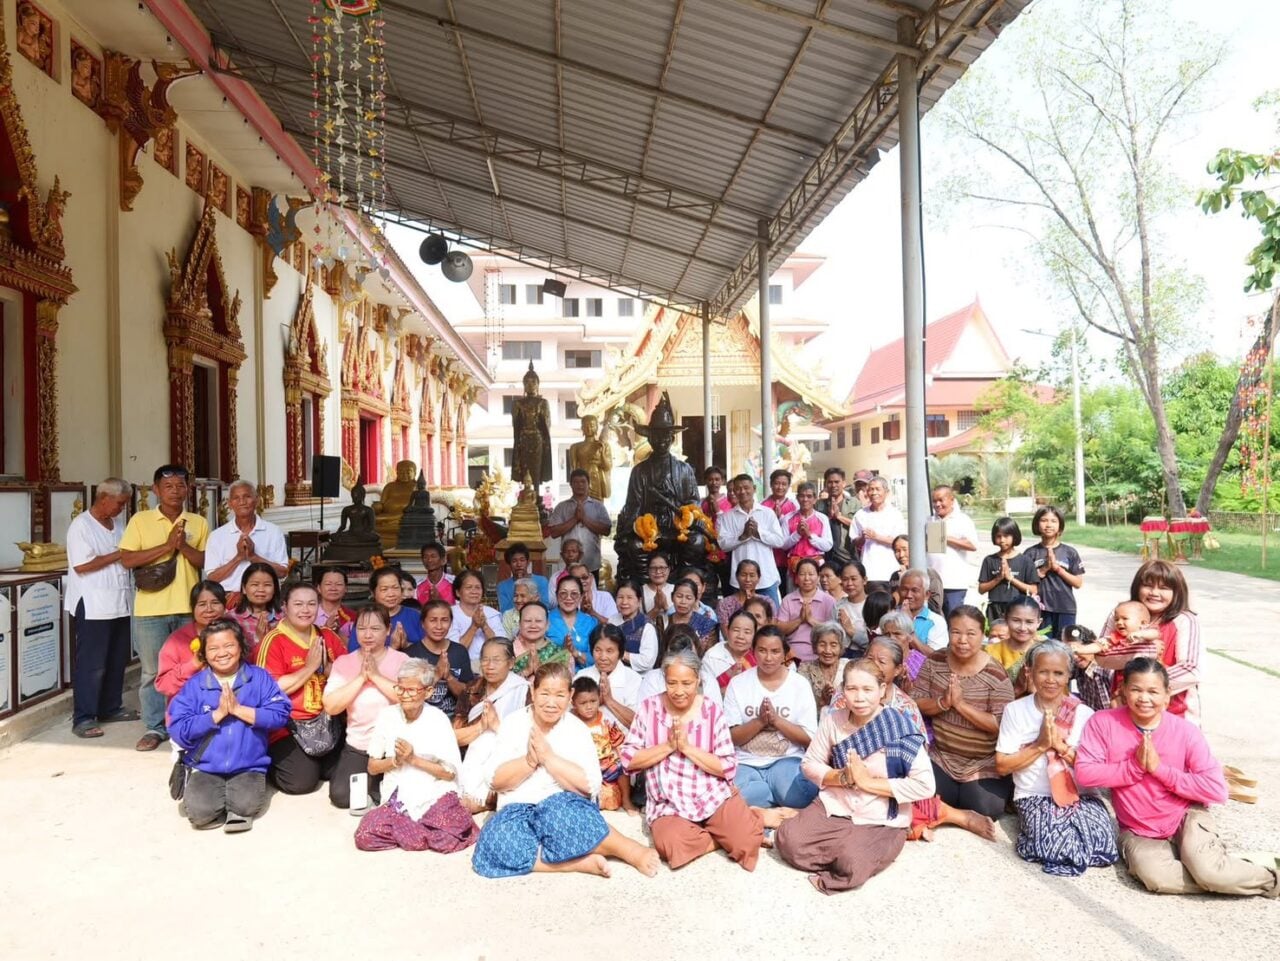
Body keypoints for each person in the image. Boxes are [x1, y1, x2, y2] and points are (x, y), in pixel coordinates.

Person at [1076, 658, 1279, 897]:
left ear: (1167, 695)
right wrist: (1134, 767)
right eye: (1136, 690)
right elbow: (1085, 773)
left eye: (1153, 692)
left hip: (1185, 816)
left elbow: (1216, 789)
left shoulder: (1185, 731)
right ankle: (1224, 869)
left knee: (1209, 873)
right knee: (1158, 878)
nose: (1144, 698)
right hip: (1139, 828)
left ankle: (1268, 878)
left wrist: (1160, 770)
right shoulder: (1103, 722)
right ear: (1123, 690)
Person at [471, 662, 660, 879]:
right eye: (545, 694)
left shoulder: (576, 728)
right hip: (517, 808)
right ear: (533, 691)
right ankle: (576, 863)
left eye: (560, 695)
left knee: (560, 817)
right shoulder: (513, 723)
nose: (551, 703)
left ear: (570, 695)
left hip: (562, 807)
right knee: (494, 841)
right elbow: (494, 780)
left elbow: (591, 785)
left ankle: (629, 850)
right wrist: (529, 762)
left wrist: (549, 758)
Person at [775, 658, 935, 894]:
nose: (859, 697)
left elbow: (925, 785)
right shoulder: (833, 721)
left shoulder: (898, 726)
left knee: (852, 864)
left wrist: (866, 782)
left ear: (882, 690)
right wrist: (841, 777)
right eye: (852, 689)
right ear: (843, 690)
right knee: (788, 840)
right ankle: (845, 848)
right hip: (837, 806)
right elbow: (809, 764)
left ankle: (853, 850)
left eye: (868, 689)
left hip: (881, 818)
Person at [620, 647, 773, 871]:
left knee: (745, 843)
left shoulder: (711, 710)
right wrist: (668, 746)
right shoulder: (649, 708)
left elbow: (727, 767)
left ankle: (735, 828)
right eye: (672, 683)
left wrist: (687, 748)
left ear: (698, 679)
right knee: (671, 845)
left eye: (687, 683)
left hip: (712, 795)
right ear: (664, 680)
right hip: (668, 803)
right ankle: (722, 837)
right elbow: (628, 760)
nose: (679, 691)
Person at [995, 640, 1118, 876]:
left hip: (1081, 796)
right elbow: (1002, 766)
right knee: (1059, 849)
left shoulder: (1084, 713)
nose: (1050, 680)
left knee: (1104, 848)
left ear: (1069, 675)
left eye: (1058, 673)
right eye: (1043, 672)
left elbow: (1095, 770)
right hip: (1035, 796)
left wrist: (1060, 746)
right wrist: (1041, 745)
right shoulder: (1016, 710)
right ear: (1030, 672)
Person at [863, 636, 995, 842]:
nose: (873, 665)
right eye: (869, 658)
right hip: (855, 772)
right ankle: (934, 816)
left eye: (881, 661)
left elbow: (918, 756)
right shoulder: (846, 695)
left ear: (897, 670)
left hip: (891, 778)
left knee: (898, 800)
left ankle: (943, 815)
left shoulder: (906, 706)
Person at [168, 619, 291, 831]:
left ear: (241, 647)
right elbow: (178, 729)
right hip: (206, 767)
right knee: (199, 814)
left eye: (229, 645)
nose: (222, 653)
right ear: (204, 653)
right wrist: (216, 715)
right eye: (213, 648)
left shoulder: (258, 677)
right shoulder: (195, 685)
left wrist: (239, 710)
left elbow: (280, 714)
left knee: (243, 806)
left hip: (248, 765)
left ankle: (241, 795)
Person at [120, 464, 210, 751]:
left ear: (188, 489)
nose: (175, 491)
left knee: (193, 666)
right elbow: (127, 559)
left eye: (181, 486)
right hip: (150, 610)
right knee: (152, 672)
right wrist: (167, 547)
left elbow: (204, 561)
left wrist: (183, 547)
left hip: (188, 610)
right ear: (156, 490)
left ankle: (189, 720)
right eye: (168, 486)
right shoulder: (140, 520)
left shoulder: (198, 522)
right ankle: (155, 727)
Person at [355, 659, 479, 853]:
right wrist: (396, 761)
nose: (404, 695)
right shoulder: (387, 716)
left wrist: (413, 759)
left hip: (433, 791)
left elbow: (449, 773)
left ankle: (409, 833)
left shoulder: (438, 719)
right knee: (365, 835)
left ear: (428, 692)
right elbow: (372, 767)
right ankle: (421, 832)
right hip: (398, 796)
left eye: (411, 690)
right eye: (400, 689)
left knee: (449, 838)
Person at [913, 605, 1015, 819]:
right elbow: (915, 701)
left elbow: (1001, 725)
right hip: (942, 757)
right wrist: (943, 702)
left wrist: (960, 705)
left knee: (986, 809)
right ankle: (958, 815)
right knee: (918, 797)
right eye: (956, 632)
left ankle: (955, 804)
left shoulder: (996, 675)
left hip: (982, 763)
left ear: (982, 635)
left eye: (971, 634)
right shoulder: (935, 661)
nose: (962, 640)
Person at [254, 581, 348, 796]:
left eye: (311, 604)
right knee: (301, 783)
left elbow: (348, 676)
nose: (305, 610)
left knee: (334, 772)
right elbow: (269, 690)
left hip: (327, 721)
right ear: (284, 607)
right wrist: (310, 667)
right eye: (298, 604)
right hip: (287, 726)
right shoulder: (274, 640)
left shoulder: (327, 636)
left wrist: (325, 668)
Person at [65, 478, 135, 739]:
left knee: (116, 659)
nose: (122, 508)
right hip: (93, 604)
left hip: (119, 602)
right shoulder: (81, 526)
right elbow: (82, 565)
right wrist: (120, 553)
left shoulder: (118, 525)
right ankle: (83, 717)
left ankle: (110, 707)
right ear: (104, 498)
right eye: (120, 503)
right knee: (92, 664)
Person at [1094, 560, 1203, 725]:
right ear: (1137, 587)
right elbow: (1102, 655)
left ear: (1176, 592)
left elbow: (1191, 669)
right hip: (1124, 708)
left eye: (1164, 588)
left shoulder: (1184, 620)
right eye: (1148, 586)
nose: (1154, 593)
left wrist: (1145, 689)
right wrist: (1145, 651)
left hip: (1174, 714)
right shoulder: (1121, 614)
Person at [724, 626, 820, 810]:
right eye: (762, 650)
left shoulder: (799, 684)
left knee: (800, 796)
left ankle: (767, 796)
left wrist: (777, 721)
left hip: (787, 759)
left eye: (775, 651)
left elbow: (809, 739)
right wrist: (759, 722)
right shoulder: (738, 683)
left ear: (785, 654)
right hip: (746, 761)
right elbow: (731, 738)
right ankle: (773, 794)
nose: (768, 658)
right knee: (729, 800)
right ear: (753, 651)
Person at [322, 606, 408, 808]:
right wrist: (361, 677)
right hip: (360, 745)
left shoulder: (402, 660)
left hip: (395, 746)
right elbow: (331, 706)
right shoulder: (344, 663)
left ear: (388, 630)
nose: (367, 635)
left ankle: (378, 786)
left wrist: (376, 676)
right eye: (361, 628)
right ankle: (374, 785)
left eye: (375, 629)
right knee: (341, 796)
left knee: (405, 796)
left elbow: (409, 698)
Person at [456, 638, 532, 811]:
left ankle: (484, 799)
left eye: (497, 660)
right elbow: (455, 737)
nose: (490, 666)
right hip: (470, 758)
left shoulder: (524, 690)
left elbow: (528, 738)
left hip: (509, 760)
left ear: (511, 663)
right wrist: (481, 727)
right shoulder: (472, 688)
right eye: (485, 660)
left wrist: (497, 727)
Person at [202, 480, 289, 590]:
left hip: (264, 596)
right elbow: (212, 578)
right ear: (229, 504)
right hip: (229, 597)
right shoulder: (216, 536)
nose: (242, 502)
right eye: (236, 498)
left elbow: (282, 572)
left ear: (257, 500)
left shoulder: (273, 532)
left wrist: (253, 557)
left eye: (247, 496)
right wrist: (238, 557)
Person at [156, 581, 227, 715]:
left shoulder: (234, 634)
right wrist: (193, 664)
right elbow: (163, 685)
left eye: (215, 603)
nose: (209, 609)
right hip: (188, 714)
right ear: (192, 608)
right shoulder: (177, 640)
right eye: (202, 604)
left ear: (224, 606)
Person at [717, 474, 787, 606]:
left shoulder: (767, 513)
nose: (742, 491)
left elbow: (779, 541)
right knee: (742, 616)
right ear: (734, 491)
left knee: (771, 616)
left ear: (754, 489)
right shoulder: (727, 516)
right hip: (741, 580)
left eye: (746, 487)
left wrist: (758, 533)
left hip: (766, 577)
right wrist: (742, 537)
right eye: (738, 488)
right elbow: (723, 545)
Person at [570, 676, 637, 812]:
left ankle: (626, 799)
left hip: (605, 766)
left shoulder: (606, 720)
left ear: (599, 698)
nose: (589, 707)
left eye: (593, 701)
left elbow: (619, 744)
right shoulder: (570, 722)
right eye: (583, 703)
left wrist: (625, 762)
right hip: (583, 768)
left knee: (620, 766)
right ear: (573, 703)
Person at [1021, 506, 1084, 639]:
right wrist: (1044, 569)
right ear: (1037, 524)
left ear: (1060, 525)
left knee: (1065, 645)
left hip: (1065, 608)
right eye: (1044, 520)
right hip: (1039, 610)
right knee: (1041, 645)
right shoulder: (1030, 553)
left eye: (1053, 521)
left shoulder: (1070, 552)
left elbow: (1078, 583)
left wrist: (1057, 569)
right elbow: (1026, 584)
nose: (1048, 525)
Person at [406, 600, 474, 717]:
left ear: (451, 623)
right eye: (433, 620)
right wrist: (437, 674)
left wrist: (449, 677)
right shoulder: (411, 653)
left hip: (455, 717)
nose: (439, 626)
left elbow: (469, 697)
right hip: (421, 718)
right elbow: (409, 697)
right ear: (423, 623)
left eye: (444, 620)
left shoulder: (459, 651)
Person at [546, 469, 612, 578]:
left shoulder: (598, 506)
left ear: (588, 484)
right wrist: (575, 519)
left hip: (591, 564)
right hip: (568, 564)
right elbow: (554, 533)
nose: (580, 485)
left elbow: (607, 530)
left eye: (583, 482)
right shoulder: (562, 507)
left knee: (590, 589)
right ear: (571, 485)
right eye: (576, 482)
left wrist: (584, 519)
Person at [576, 625, 641, 732]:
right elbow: (569, 716)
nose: (603, 657)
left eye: (610, 651)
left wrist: (609, 700)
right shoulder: (581, 676)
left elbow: (639, 724)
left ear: (620, 653)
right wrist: (595, 702)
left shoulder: (633, 679)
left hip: (624, 740)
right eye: (598, 650)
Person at [927, 485, 977, 616]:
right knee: (934, 620)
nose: (937, 504)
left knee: (953, 619)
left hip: (954, 583)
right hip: (933, 583)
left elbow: (972, 545)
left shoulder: (963, 520)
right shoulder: (929, 520)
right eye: (934, 501)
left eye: (941, 500)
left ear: (951, 500)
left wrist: (945, 537)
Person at [977, 516, 1039, 623]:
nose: (1002, 540)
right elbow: (981, 589)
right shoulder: (989, 560)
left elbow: (1033, 590)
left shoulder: (1025, 561)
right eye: (998, 536)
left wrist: (1011, 578)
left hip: (1018, 608)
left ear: (1014, 536)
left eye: (1006, 536)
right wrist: (998, 578)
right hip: (995, 608)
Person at [775, 557, 837, 662]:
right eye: (802, 574)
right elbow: (780, 629)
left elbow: (834, 632)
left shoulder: (829, 600)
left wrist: (811, 620)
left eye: (811, 574)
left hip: (821, 654)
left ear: (818, 577)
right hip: (792, 654)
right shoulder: (788, 600)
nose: (807, 578)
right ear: (796, 578)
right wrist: (799, 620)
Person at [356, 567, 424, 651]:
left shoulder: (415, 616)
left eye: (395, 588)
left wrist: (406, 645)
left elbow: (428, 650)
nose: (391, 594)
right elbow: (355, 654)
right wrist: (392, 648)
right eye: (384, 589)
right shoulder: (364, 618)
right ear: (373, 592)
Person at [853, 478, 906, 582]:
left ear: (886, 492)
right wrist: (862, 538)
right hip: (868, 570)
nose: (874, 493)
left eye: (877, 489)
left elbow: (900, 542)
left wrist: (876, 537)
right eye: (871, 489)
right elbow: (854, 541)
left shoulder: (895, 514)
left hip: (890, 570)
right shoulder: (860, 514)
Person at [985, 596, 1042, 693]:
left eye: (1029, 622)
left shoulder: (1046, 650)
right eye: (1016, 620)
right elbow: (988, 690)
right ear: (1005, 619)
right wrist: (1018, 690)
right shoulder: (991, 651)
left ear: (1038, 623)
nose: (1022, 628)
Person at [511, 362, 553, 488]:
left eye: (533, 382)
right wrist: (518, 441)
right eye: (527, 382)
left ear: (538, 385)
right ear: (524, 385)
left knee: (536, 469)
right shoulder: (518, 403)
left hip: (537, 439)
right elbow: (516, 426)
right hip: (523, 439)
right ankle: (526, 492)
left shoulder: (543, 403)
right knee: (525, 468)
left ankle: (537, 492)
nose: (530, 385)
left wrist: (545, 443)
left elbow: (546, 426)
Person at [545, 575, 599, 671]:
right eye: (563, 593)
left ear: (581, 596)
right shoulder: (544, 620)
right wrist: (562, 651)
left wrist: (575, 653)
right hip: (552, 675)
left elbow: (596, 657)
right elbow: (537, 653)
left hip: (583, 676)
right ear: (556, 595)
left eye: (574, 594)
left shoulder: (591, 622)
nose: (568, 598)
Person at [449, 570, 505, 662]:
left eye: (478, 587)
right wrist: (474, 626)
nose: (474, 591)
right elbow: (454, 652)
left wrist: (484, 626)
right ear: (458, 592)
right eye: (469, 587)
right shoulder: (449, 614)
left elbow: (503, 648)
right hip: (462, 665)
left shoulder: (492, 614)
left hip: (491, 664)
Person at [781, 482, 832, 580]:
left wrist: (810, 535)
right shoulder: (788, 518)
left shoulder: (822, 518)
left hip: (816, 566)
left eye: (809, 496)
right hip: (794, 566)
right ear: (797, 498)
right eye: (802, 496)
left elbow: (828, 546)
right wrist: (797, 534)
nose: (805, 499)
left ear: (815, 499)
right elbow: (783, 545)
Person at [701, 609, 758, 699]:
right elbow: (707, 696)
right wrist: (733, 683)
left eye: (747, 632)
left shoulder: (759, 656)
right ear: (727, 630)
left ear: (755, 635)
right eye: (736, 630)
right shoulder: (712, 657)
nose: (740, 636)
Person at [226, 563, 281, 654]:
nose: (261, 589)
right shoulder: (232, 618)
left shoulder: (285, 617)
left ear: (275, 589)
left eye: (267, 585)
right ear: (244, 588)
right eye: (255, 584)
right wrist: (258, 639)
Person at [797, 622, 849, 713]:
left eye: (833, 645)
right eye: (822, 644)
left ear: (841, 647)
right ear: (815, 647)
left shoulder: (849, 667)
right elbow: (801, 706)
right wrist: (822, 701)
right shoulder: (805, 670)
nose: (827, 650)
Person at [610, 580, 659, 674]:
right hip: (613, 673)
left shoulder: (647, 626)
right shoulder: (612, 620)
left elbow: (647, 662)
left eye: (629, 598)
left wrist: (620, 654)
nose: (624, 602)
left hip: (639, 677)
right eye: (620, 597)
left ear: (639, 601)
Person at [762, 468, 799, 590]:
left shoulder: (794, 505)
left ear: (788, 486)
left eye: (784, 484)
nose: (780, 487)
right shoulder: (763, 505)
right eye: (777, 483)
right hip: (769, 555)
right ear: (771, 484)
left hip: (788, 556)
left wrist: (781, 518)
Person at [512, 602, 570, 677]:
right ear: (519, 624)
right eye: (527, 621)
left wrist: (538, 669)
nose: (533, 625)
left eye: (538, 621)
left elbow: (565, 682)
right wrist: (526, 671)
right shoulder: (507, 652)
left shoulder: (560, 654)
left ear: (547, 625)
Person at [888, 535, 943, 612]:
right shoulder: (896, 576)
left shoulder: (929, 574)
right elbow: (891, 604)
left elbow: (935, 606)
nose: (901, 555)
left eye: (905, 549)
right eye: (897, 551)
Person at [817, 467, 857, 571]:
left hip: (847, 554)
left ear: (843, 483)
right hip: (826, 555)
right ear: (826, 484)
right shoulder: (819, 505)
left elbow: (860, 527)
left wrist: (839, 517)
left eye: (837, 482)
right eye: (830, 482)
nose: (833, 485)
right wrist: (828, 517)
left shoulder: (854, 503)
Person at [665, 578, 718, 654]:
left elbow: (711, 654)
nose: (683, 602)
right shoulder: (663, 621)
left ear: (695, 600)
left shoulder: (707, 624)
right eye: (679, 596)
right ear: (672, 597)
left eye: (688, 598)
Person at [899, 569, 947, 651]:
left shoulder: (936, 621)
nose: (908, 595)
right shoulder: (891, 616)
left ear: (927, 595)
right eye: (904, 589)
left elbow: (936, 655)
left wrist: (908, 626)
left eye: (914, 590)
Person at [568, 414, 613, 501]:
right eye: (586, 426)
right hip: (581, 483)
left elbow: (608, 467)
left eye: (592, 426)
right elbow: (573, 470)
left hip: (597, 482)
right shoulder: (575, 447)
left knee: (597, 506)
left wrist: (602, 453)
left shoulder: (603, 446)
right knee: (582, 505)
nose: (589, 429)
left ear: (597, 427)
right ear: (582, 428)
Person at [497, 543, 551, 612]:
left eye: (522, 560)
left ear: (528, 562)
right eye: (514, 561)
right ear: (509, 564)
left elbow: (545, 606)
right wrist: (518, 584)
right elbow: (504, 611)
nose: (519, 564)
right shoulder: (502, 586)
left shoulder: (541, 581)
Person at [715, 558, 761, 633]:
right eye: (743, 575)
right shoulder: (725, 604)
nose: (748, 579)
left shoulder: (766, 602)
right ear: (737, 576)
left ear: (758, 578)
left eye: (752, 575)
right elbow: (726, 632)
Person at [835, 561, 869, 656]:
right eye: (845, 579)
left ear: (864, 580)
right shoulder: (838, 606)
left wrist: (851, 631)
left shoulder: (874, 604)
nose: (849, 583)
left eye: (853, 579)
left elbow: (878, 639)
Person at [315, 568, 355, 636]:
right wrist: (326, 629)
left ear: (346, 589)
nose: (333, 588)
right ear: (319, 588)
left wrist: (338, 632)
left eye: (339, 584)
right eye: (328, 584)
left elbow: (355, 642)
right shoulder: (308, 614)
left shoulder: (352, 617)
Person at [642, 551, 676, 620]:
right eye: (653, 568)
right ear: (648, 570)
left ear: (669, 569)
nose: (658, 571)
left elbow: (683, 620)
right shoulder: (640, 591)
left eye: (662, 568)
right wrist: (656, 608)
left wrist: (666, 607)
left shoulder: (676, 589)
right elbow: (637, 623)